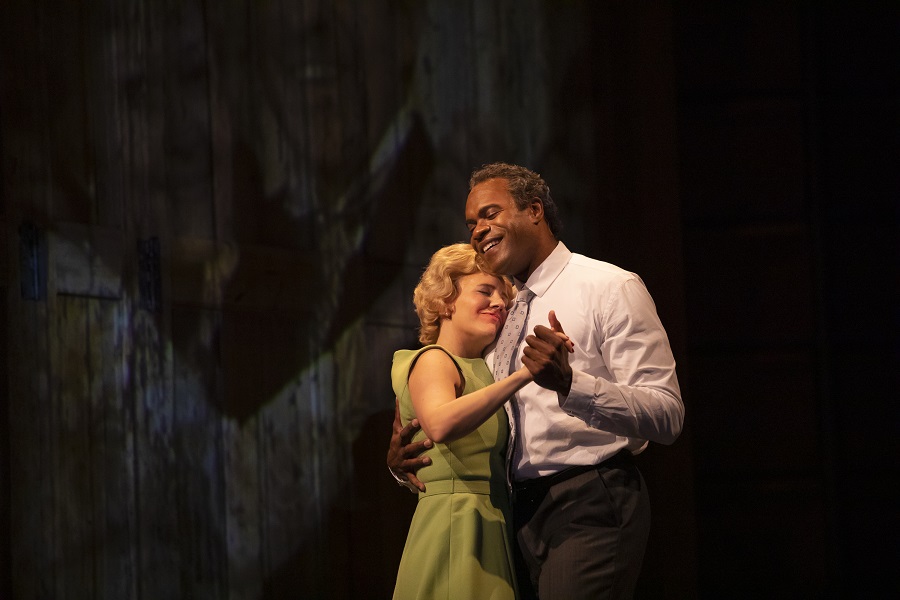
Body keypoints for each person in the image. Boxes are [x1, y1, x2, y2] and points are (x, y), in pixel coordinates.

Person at [388, 163, 685, 599]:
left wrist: (571, 384)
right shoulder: (502, 315)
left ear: (534, 210)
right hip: (515, 514)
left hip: (589, 499)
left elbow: (667, 414)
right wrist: (408, 463)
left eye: (490, 214)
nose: (478, 230)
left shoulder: (608, 287)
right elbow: (469, 421)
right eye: (472, 223)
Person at [390, 243, 573, 600]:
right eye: (484, 291)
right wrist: (525, 375)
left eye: (502, 296)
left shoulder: (485, 370)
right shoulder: (433, 360)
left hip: (491, 522)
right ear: (446, 301)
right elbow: (440, 423)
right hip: (455, 524)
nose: (499, 303)